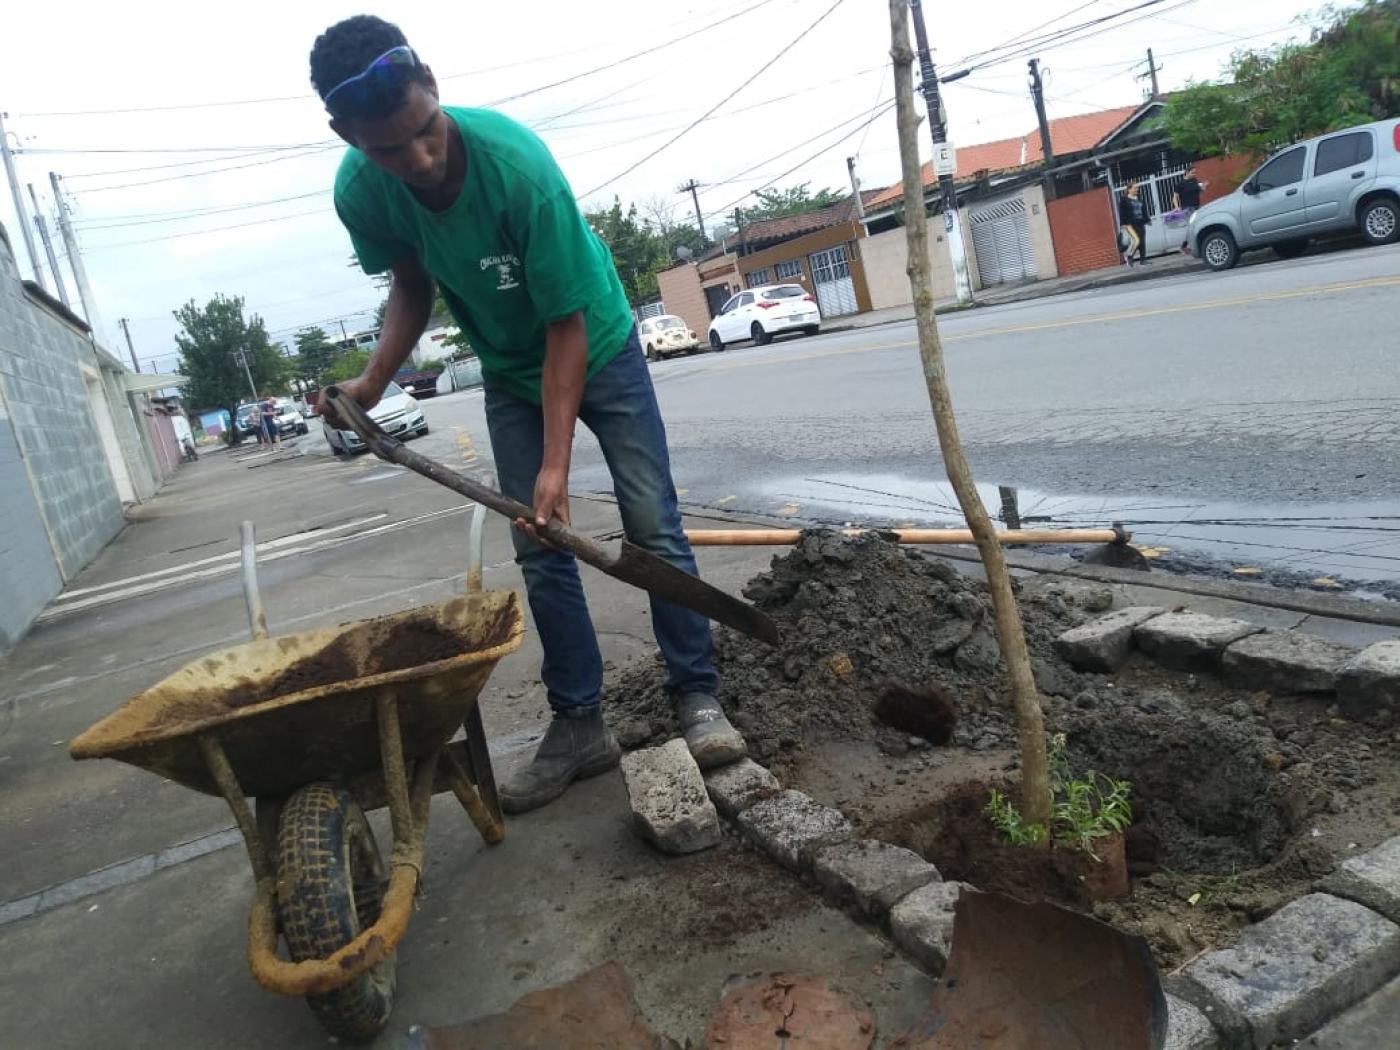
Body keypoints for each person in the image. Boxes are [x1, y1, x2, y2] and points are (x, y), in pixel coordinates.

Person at [307, 16, 744, 813]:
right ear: (348, 136)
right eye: (389, 150)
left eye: (424, 133)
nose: (419, 160)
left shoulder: (518, 166)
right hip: (508, 370)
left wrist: (553, 466)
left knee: (651, 521)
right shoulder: (360, 192)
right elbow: (411, 284)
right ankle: (580, 726)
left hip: (598, 343)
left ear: (433, 86)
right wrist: (371, 382)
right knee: (540, 545)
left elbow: (565, 325)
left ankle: (697, 694)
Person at [1173, 166, 1208, 252]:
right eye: (1193, 173)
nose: (1194, 174)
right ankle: (1185, 246)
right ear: (1187, 172)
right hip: (1187, 209)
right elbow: (1174, 197)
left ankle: (1190, 245)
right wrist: (1177, 207)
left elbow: (1201, 191)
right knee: (1192, 226)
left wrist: (1204, 186)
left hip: (1197, 207)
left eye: (1195, 173)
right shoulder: (1180, 184)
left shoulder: (1195, 181)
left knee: (1199, 225)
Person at [1118, 183, 1148, 266]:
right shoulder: (1124, 200)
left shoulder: (1140, 199)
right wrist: (1123, 224)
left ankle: (1143, 260)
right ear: (1129, 189)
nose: (1137, 189)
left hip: (1140, 223)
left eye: (1137, 188)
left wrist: (1147, 220)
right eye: (1135, 188)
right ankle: (1129, 256)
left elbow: (1144, 210)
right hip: (1130, 224)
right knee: (1136, 240)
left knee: (1142, 241)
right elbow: (1122, 213)